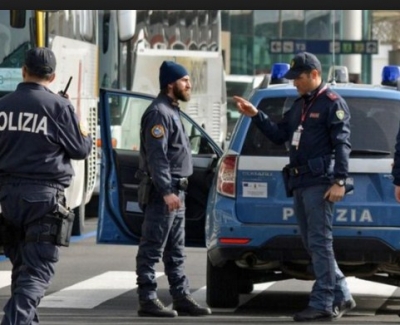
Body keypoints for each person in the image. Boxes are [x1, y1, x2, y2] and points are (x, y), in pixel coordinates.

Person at [233, 52, 356, 322]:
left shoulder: (332, 103)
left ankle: (323, 301)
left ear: (314, 74)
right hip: (300, 182)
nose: (294, 83)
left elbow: (342, 145)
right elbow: (280, 135)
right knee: (312, 243)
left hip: (320, 182)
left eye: (298, 78)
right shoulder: (299, 104)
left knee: (320, 243)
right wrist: (256, 115)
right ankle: (342, 292)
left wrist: (339, 180)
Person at [0, 47, 92, 324]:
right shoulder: (60, 107)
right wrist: (80, 123)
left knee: (21, 268)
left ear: (23, 71)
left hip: (7, 198)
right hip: (44, 198)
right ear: (52, 77)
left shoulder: (3, 105)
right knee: (38, 271)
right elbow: (79, 150)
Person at [135, 60, 212, 317]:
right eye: (184, 80)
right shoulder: (159, 113)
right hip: (163, 193)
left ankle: (181, 296)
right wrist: (167, 191)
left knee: (176, 251)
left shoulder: (171, 110)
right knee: (152, 248)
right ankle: (147, 298)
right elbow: (157, 157)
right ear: (171, 84)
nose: (189, 85)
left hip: (177, 191)